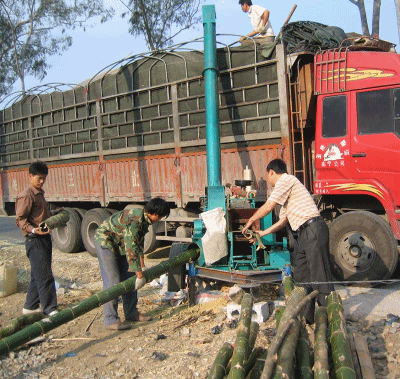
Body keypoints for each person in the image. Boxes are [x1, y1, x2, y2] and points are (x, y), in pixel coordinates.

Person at [242, 159, 334, 323]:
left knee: (320, 276)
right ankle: (308, 319)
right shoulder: (287, 194)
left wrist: (251, 220)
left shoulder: (286, 180)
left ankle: (330, 319)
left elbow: (269, 206)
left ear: (271, 172)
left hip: (313, 229)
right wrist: (262, 233)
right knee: (301, 278)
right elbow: (283, 221)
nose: (268, 181)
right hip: (301, 234)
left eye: (267, 177)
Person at [94, 197, 170, 330]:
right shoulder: (135, 219)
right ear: (155, 214)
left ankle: (131, 313)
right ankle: (110, 319)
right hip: (106, 242)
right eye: (161, 216)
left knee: (129, 278)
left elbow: (138, 241)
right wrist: (140, 274)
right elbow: (131, 245)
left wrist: (141, 263)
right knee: (113, 280)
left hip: (120, 244)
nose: (160, 219)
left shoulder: (145, 219)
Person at [15, 161, 58, 316]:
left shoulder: (40, 194)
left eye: (44, 178)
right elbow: (20, 219)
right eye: (39, 178)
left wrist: (55, 214)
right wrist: (33, 229)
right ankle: (50, 310)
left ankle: (30, 307)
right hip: (34, 240)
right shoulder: (27, 195)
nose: (41, 181)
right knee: (45, 276)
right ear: (30, 175)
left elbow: (41, 216)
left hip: (44, 239)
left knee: (37, 274)